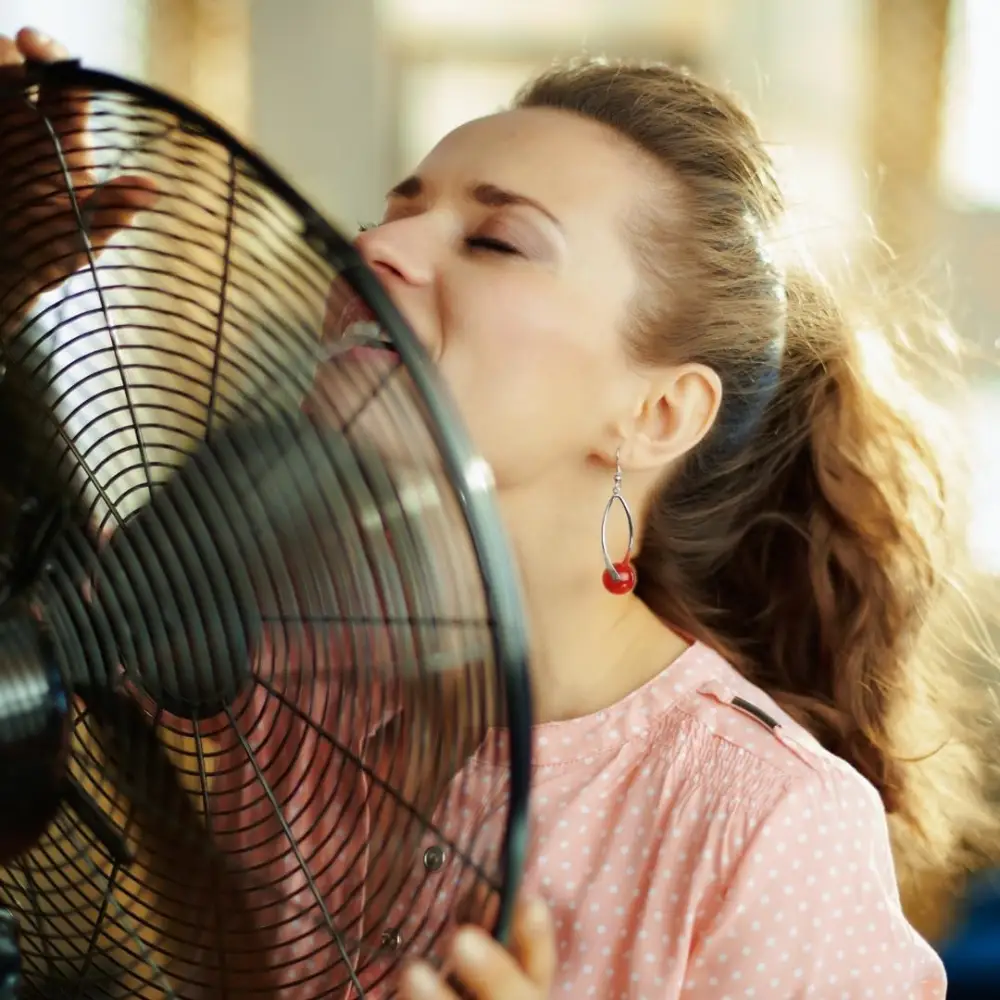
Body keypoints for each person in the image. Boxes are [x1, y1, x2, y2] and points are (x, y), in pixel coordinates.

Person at [2, 24, 999, 1000]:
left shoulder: (766, 824)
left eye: (494, 239)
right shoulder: (273, 667)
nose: (373, 245)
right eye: (392, 211)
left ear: (655, 413)